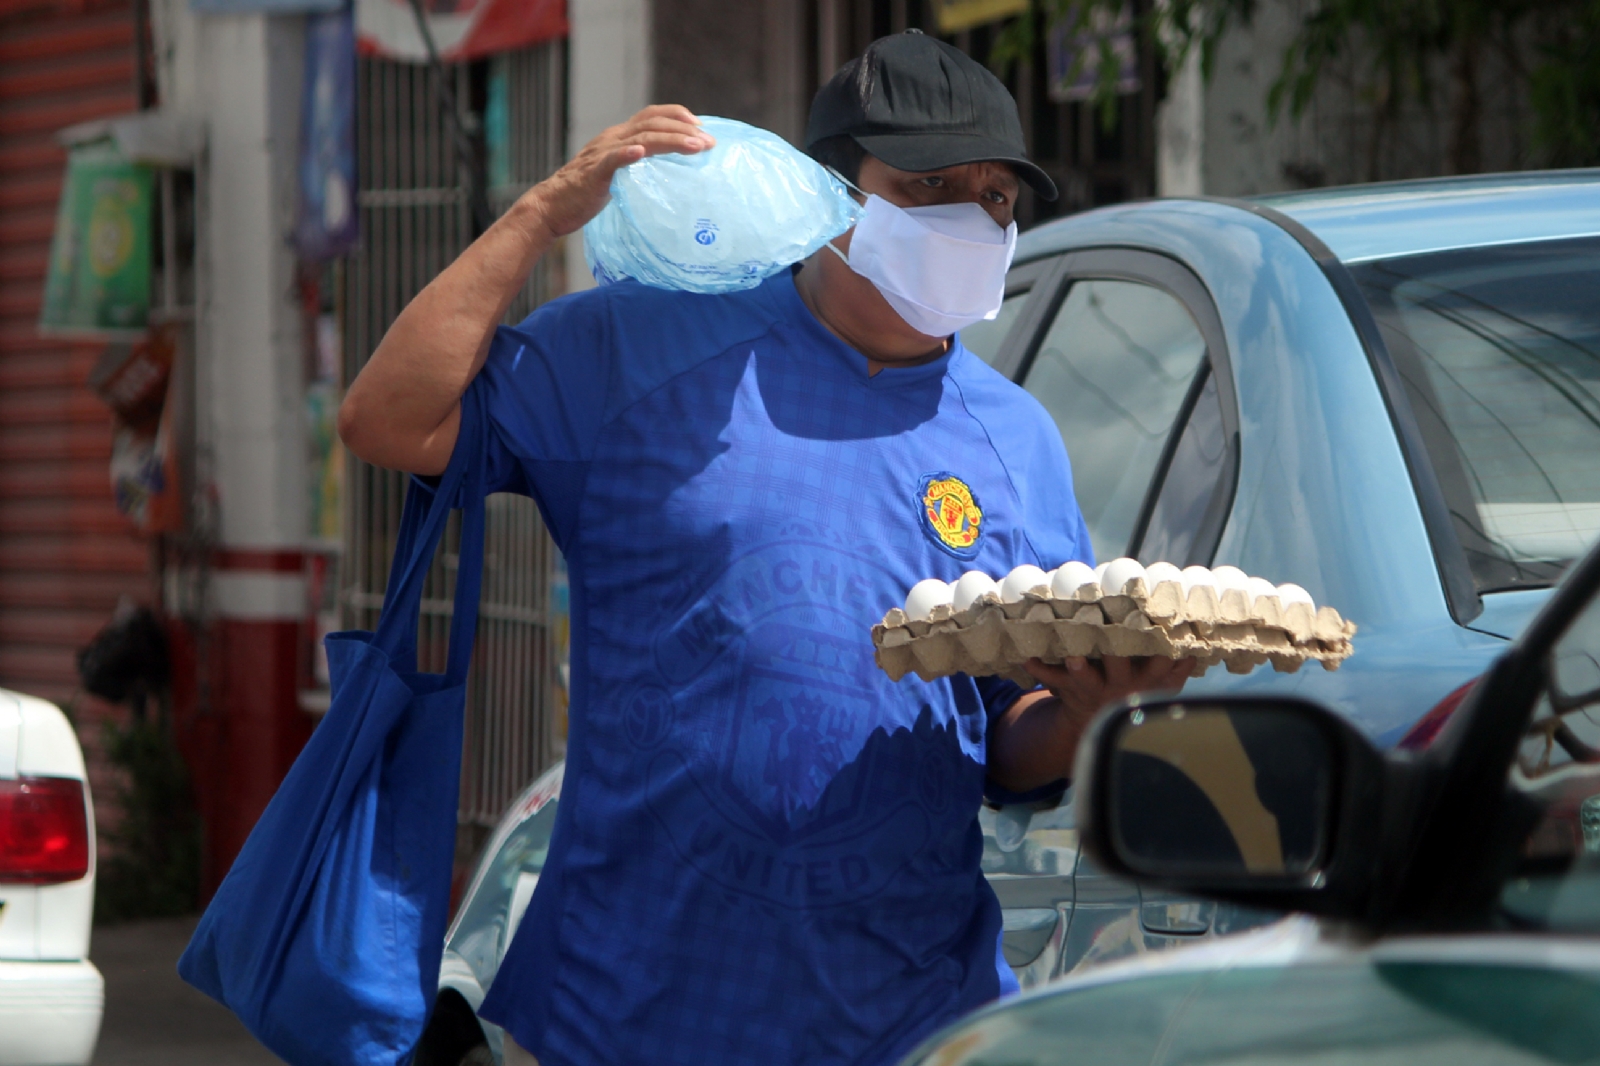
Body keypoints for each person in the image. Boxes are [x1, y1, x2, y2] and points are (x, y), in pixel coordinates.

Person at [340, 29, 1191, 1066]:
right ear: (829, 195)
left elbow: (1004, 739)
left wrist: (1083, 713)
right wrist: (541, 212)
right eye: (929, 188)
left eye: (997, 198)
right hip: (632, 1017)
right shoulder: (638, 350)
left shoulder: (1014, 440)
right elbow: (385, 419)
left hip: (910, 1023)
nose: (971, 221)